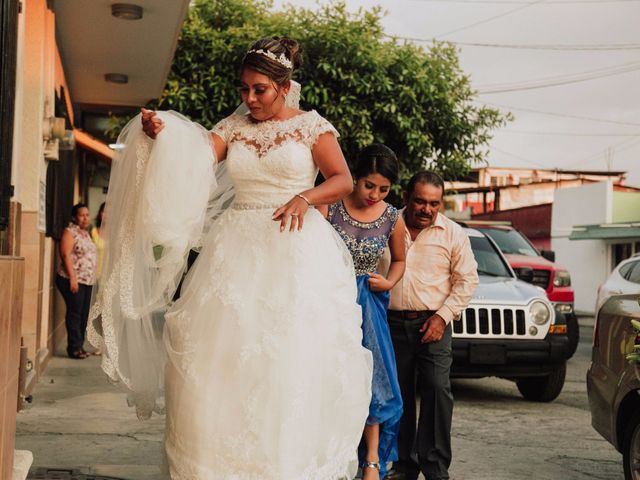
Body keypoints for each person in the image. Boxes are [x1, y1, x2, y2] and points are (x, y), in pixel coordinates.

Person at [88, 37, 373, 479]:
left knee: (286, 361)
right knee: (218, 363)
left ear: (284, 86)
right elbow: (195, 158)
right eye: (244, 89)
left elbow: (342, 179)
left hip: (295, 253)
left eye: (259, 89)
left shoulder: (313, 127)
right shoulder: (233, 127)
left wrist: (305, 196)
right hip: (234, 251)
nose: (249, 98)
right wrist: (163, 137)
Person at [384, 171, 478, 480]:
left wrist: (442, 317)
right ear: (407, 198)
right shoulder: (386, 223)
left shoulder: (453, 233)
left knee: (438, 389)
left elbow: (467, 280)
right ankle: (404, 466)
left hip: (434, 323)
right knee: (399, 395)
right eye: (420, 201)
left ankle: (435, 467)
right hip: (391, 323)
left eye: (434, 203)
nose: (426, 209)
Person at [319, 144, 405, 479]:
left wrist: (389, 282)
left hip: (368, 302)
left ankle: (371, 459)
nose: (375, 194)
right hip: (331, 298)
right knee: (331, 375)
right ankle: (330, 456)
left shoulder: (391, 218)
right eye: (369, 185)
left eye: (384, 189)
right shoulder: (331, 208)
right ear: (355, 177)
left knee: (373, 376)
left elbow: (399, 260)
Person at [56, 203, 97, 359]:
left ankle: (79, 346)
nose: (85, 217)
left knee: (83, 314)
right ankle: (73, 348)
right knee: (75, 313)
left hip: (86, 281)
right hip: (72, 279)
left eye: (87, 214)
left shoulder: (85, 233)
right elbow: (65, 255)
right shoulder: (69, 232)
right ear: (74, 217)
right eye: (82, 215)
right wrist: (73, 277)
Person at [89, 202, 106, 281]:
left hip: (109, 274)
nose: (106, 214)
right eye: (103, 211)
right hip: (94, 273)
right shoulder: (92, 231)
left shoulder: (117, 234)